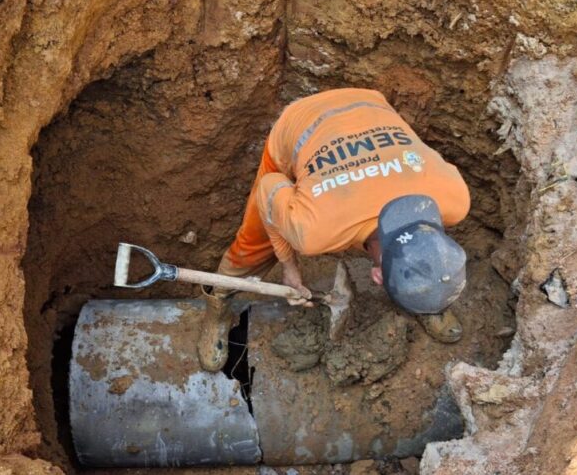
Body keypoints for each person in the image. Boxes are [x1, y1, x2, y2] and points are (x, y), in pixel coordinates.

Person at [197, 88, 471, 372]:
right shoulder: (314, 229)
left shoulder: (454, 200)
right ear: (376, 276)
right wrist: (288, 265)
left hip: (372, 105)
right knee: (254, 243)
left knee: (403, 256)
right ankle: (218, 306)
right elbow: (269, 189)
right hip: (301, 123)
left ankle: (427, 299)